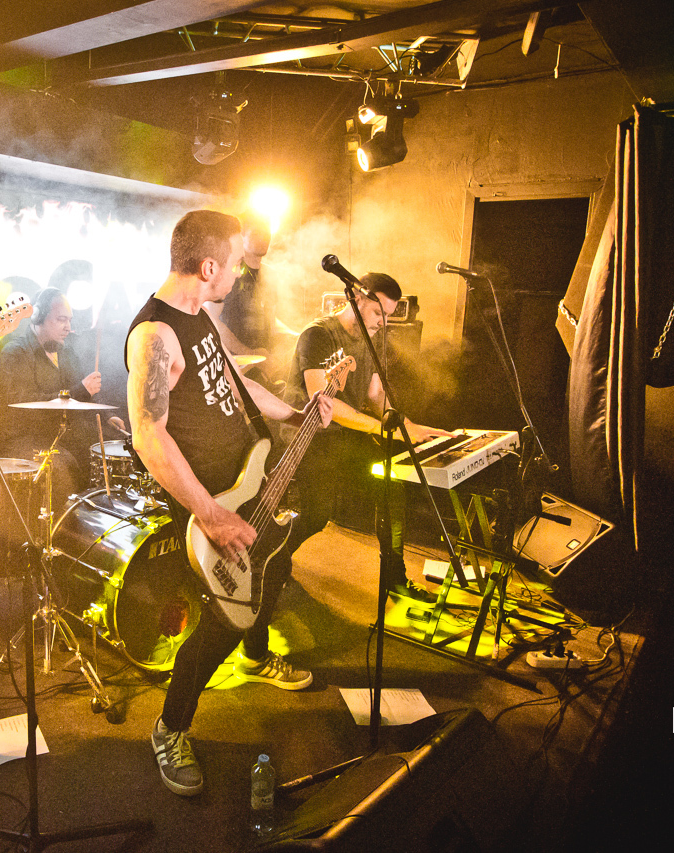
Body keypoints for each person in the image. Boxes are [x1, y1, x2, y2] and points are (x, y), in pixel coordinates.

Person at [125, 210, 335, 797]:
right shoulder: (154, 336)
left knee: (272, 571)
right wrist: (211, 514)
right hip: (210, 504)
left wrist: (295, 413)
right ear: (208, 266)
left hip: (246, 485)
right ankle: (170, 727)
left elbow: (237, 386)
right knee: (221, 620)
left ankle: (257, 657)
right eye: (237, 262)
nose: (243, 271)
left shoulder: (200, 319)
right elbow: (148, 436)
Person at [284, 273, 451, 601]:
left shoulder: (370, 339)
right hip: (310, 436)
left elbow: (375, 394)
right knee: (316, 515)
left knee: (391, 489)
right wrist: (379, 427)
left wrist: (407, 426)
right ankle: (268, 558)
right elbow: (323, 403)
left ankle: (395, 579)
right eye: (378, 313)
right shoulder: (318, 335)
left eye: (388, 316)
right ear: (356, 299)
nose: (382, 323)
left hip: (346, 434)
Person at [0, 286, 103, 495]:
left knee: (107, 451)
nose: (68, 327)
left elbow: (84, 397)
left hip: (61, 437)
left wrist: (108, 417)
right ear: (37, 317)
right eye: (61, 319)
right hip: (23, 440)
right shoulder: (15, 353)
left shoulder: (67, 353)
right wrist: (79, 391)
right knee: (64, 469)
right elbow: (23, 406)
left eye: (69, 320)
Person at [202, 212, 295, 390]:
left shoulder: (271, 275)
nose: (264, 238)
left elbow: (270, 318)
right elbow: (210, 321)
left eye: (267, 233)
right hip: (233, 367)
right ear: (242, 237)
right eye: (257, 233)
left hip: (264, 369)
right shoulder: (228, 273)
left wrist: (294, 336)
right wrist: (249, 353)